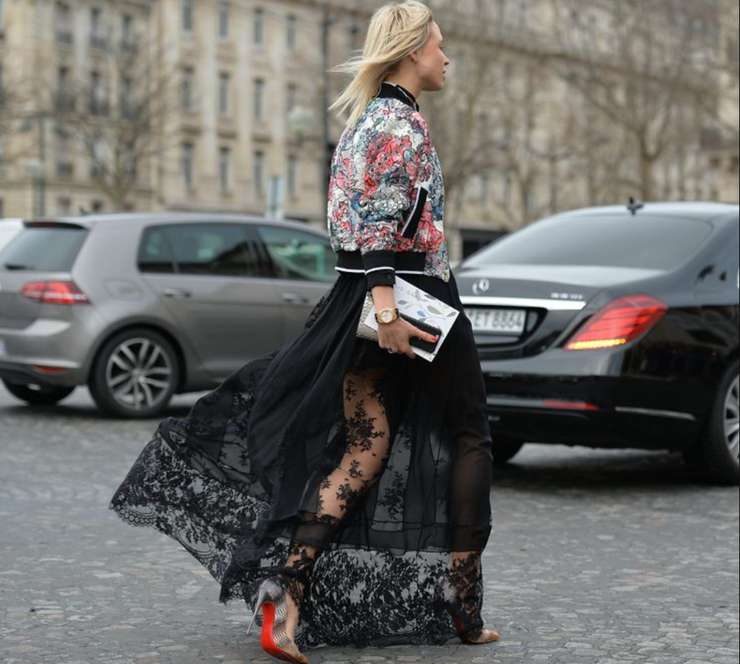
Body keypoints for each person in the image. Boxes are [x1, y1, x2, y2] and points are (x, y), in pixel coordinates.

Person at [110, 2, 500, 662]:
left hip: (356, 299)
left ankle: (286, 588)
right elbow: (381, 222)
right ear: (412, 51)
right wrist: (388, 310)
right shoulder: (400, 125)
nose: (446, 57)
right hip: (413, 297)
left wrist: (374, 301)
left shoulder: (361, 122)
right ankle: (463, 606)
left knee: (364, 446)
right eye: (438, 45)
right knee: (470, 434)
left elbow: (355, 223)